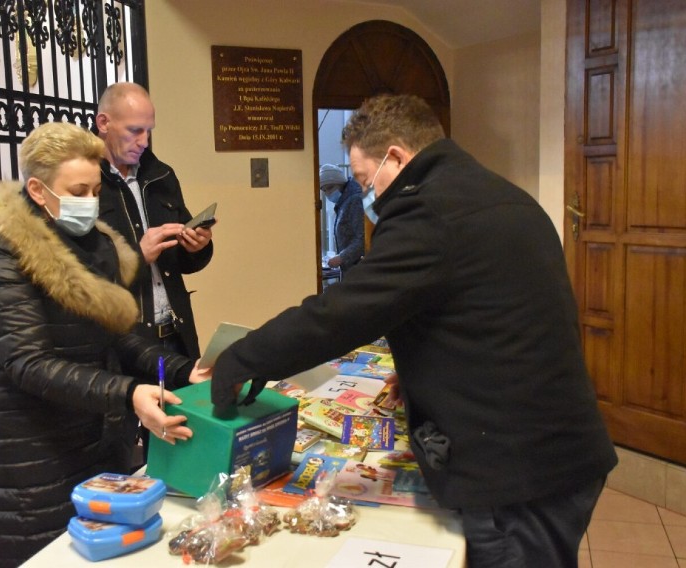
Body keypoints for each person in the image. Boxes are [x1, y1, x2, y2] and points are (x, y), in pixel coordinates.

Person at [211, 94, 618, 568]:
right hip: (557, 448)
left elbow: (340, 313)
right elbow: (489, 317)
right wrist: (423, 370)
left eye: (365, 180)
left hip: (518, 472)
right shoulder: (497, 193)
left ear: (398, 158)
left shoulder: (427, 210)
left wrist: (243, 357)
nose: (368, 195)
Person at [0, 122, 208, 567]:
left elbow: (117, 333)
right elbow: (28, 363)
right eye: (78, 190)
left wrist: (180, 369)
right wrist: (128, 393)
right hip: (34, 459)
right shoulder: (1, 254)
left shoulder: (94, 244)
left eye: (96, 189)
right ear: (38, 190)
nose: (90, 202)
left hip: (99, 443)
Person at [96, 82, 213, 358]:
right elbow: (77, 275)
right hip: (124, 343)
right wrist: (137, 256)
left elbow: (181, 263)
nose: (144, 142)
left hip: (177, 335)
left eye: (148, 131)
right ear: (104, 123)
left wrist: (196, 247)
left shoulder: (160, 175)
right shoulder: (83, 182)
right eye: (134, 131)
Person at [319, 163, 364, 273]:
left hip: (359, 268)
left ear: (341, 184)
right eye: (324, 190)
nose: (328, 193)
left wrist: (341, 257)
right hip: (352, 268)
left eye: (330, 188)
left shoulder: (355, 201)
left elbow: (363, 238)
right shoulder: (344, 203)